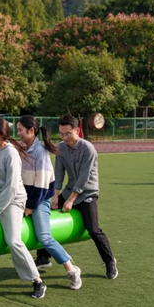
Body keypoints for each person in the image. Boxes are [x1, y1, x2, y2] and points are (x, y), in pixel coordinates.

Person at [35, 114, 118, 280]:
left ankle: (110, 261)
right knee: (46, 215)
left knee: (93, 229)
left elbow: (83, 178)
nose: (64, 137)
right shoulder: (61, 148)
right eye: (61, 134)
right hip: (69, 190)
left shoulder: (88, 149)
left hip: (87, 193)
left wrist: (71, 200)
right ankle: (43, 257)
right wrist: (55, 196)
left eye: (68, 134)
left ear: (77, 130)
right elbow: (58, 173)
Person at [0, 117, 48, 299]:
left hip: (13, 200)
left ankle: (37, 280)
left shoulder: (11, 153)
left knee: (14, 240)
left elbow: (12, 187)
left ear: (2, 133)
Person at [13, 116, 82, 289]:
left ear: (31, 131)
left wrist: (30, 207)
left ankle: (72, 270)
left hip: (40, 199)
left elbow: (42, 186)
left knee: (44, 237)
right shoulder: (23, 149)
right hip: (23, 198)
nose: (18, 133)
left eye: (20, 130)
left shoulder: (40, 152)